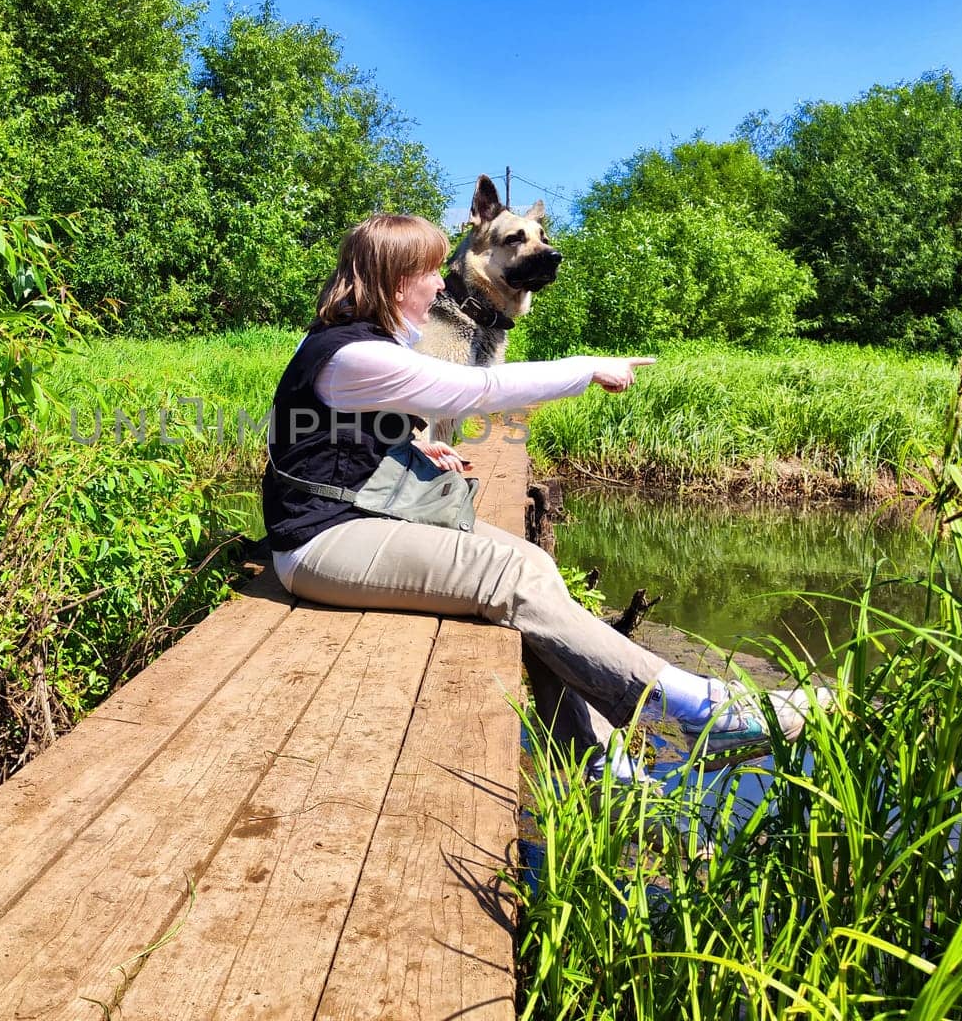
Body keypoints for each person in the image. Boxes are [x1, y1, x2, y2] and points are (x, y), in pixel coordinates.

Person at [262, 212, 829, 782]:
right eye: (430, 271)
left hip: (361, 518)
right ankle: (704, 710)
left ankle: (601, 762)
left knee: (532, 562)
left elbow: (319, 435)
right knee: (511, 578)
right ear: (395, 279)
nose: (441, 285)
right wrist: (584, 368)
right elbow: (476, 390)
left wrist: (407, 443)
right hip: (320, 542)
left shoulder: (356, 346)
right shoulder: (356, 354)